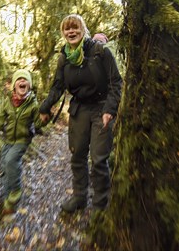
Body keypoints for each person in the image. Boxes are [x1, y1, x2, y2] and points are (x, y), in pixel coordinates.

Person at [39, 14, 122, 212]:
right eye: (67, 29)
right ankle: (79, 197)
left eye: (75, 27)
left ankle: (100, 205)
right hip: (79, 109)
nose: (71, 32)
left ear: (83, 29)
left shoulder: (99, 51)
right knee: (77, 156)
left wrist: (110, 110)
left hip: (101, 108)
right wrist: (44, 107)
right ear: (63, 33)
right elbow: (57, 87)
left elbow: (116, 82)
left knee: (99, 159)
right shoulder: (64, 57)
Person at [0, 69, 43, 214]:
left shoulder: (33, 104)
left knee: (10, 161)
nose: (22, 81)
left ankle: (15, 193)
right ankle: (6, 195)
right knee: (4, 164)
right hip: (8, 140)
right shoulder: (7, 102)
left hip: (22, 140)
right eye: (19, 79)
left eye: (25, 79)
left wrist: (44, 119)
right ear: (14, 86)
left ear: (30, 85)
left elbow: (38, 124)